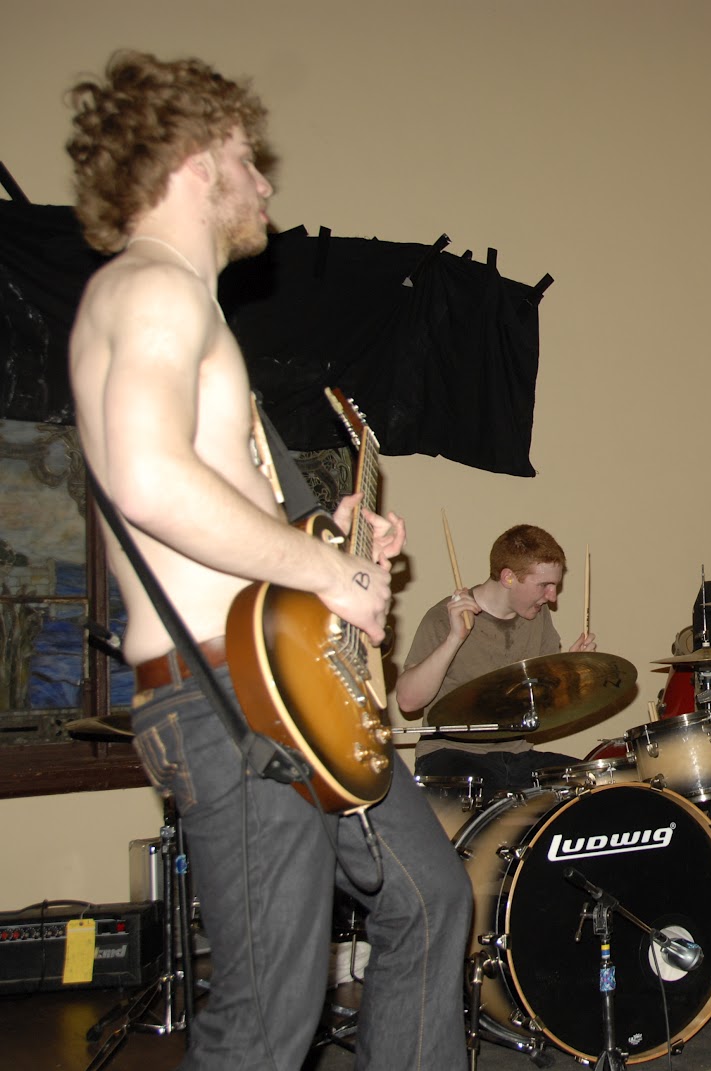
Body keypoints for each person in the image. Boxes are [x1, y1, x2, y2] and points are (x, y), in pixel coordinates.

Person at [66, 51, 470, 1070]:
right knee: (264, 1022)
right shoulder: (153, 289)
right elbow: (147, 478)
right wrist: (329, 574)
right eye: (248, 157)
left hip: (284, 690)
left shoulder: (184, 311)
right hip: (227, 700)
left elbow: (228, 514)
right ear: (196, 158)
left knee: (430, 898)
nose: (264, 184)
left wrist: (334, 540)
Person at [396, 523, 598, 790]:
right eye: (544, 585)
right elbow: (408, 701)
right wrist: (454, 638)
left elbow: (541, 703)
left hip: (516, 755)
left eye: (555, 586)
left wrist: (568, 671)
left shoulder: (538, 618)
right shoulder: (443, 618)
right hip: (450, 755)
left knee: (592, 785)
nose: (551, 597)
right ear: (508, 577)